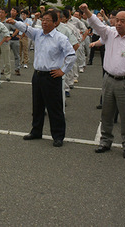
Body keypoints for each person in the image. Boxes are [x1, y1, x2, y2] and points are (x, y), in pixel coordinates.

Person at [80, 3, 125, 159]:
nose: (118, 23)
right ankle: (105, 141)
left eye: (122, 21)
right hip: (108, 79)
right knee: (106, 113)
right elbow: (96, 24)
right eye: (117, 20)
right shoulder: (109, 33)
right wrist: (86, 11)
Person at [8, 10, 75, 147]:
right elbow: (26, 28)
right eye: (43, 19)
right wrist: (15, 22)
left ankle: (58, 136)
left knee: (54, 107)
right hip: (38, 75)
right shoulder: (38, 34)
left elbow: (71, 55)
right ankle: (36, 131)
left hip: (52, 76)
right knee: (37, 105)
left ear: (55, 22)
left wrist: (63, 71)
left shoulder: (60, 38)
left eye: (48, 20)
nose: (44, 22)